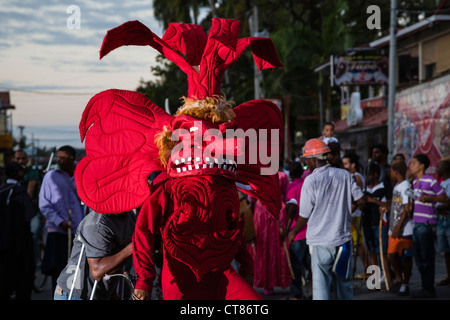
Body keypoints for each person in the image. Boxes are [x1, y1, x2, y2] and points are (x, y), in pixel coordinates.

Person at [288, 138, 365, 300]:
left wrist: (293, 232)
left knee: (321, 286)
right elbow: (361, 202)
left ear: (314, 159)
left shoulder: (310, 180)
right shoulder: (345, 175)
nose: (306, 163)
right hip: (343, 240)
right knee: (344, 284)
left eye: (306, 159)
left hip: (320, 240)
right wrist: (345, 211)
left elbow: (305, 214)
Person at [53, 209, 136, 300]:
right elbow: (97, 271)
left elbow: (116, 258)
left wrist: (113, 293)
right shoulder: (97, 223)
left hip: (100, 293)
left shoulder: (129, 217)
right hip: (75, 293)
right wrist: (132, 247)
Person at [39, 145, 85, 292]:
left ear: (72, 158)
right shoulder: (51, 176)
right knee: (58, 269)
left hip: (79, 231)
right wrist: (60, 221)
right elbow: (44, 204)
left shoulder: (82, 174)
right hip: (58, 230)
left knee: (77, 269)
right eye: (57, 157)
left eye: (62, 157)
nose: (58, 160)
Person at [409, 154, 449, 298]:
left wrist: (429, 198)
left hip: (426, 224)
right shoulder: (414, 182)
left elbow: (445, 198)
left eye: (413, 163)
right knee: (419, 257)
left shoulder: (430, 181)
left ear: (421, 166)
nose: (410, 165)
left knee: (427, 257)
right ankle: (426, 286)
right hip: (417, 223)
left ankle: (429, 288)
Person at [248, 168, 291, 295]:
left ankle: (266, 283)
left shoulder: (255, 175)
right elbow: (286, 195)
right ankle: (278, 280)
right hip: (278, 210)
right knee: (277, 246)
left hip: (261, 211)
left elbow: (251, 199)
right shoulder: (282, 176)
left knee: (263, 246)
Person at [0, 162, 36, 299]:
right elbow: (29, 215)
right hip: (19, 245)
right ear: (19, 173)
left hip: (3, 245)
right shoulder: (20, 191)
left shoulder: (3, 190)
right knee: (22, 280)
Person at [281, 162, 311, 300]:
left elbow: (292, 208)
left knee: (296, 265)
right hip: (311, 230)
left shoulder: (292, 186)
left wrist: (287, 230)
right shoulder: (307, 183)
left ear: (291, 173)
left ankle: (296, 294)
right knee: (310, 264)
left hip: (297, 232)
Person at [362, 162, 393, 290]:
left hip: (380, 223)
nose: (369, 177)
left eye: (372, 174)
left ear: (377, 174)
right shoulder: (364, 189)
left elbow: (389, 205)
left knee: (383, 253)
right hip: (367, 223)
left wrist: (373, 201)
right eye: (368, 174)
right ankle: (373, 283)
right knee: (372, 252)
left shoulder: (384, 186)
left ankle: (388, 281)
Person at [386, 160, 414, 296]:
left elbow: (407, 208)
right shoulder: (396, 186)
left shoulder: (406, 186)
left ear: (395, 172)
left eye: (391, 171)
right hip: (393, 227)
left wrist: (398, 226)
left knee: (406, 256)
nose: (390, 173)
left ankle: (405, 283)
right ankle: (399, 279)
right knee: (392, 254)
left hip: (404, 229)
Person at [342, 152, 368, 280]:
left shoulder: (356, 177)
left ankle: (366, 269)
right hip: (351, 213)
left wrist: (349, 212)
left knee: (359, 244)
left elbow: (358, 199)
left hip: (355, 214)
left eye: (346, 163)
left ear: (353, 164)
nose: (344, 166)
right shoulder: (351, 175)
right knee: (356, 244)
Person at [436, 158, 450, 287]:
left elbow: (447, 202)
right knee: (445, 250)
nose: (436, 169)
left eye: (439, 166)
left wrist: (436, 206)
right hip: (441, 220)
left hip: (448, 219)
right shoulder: (441, 183)